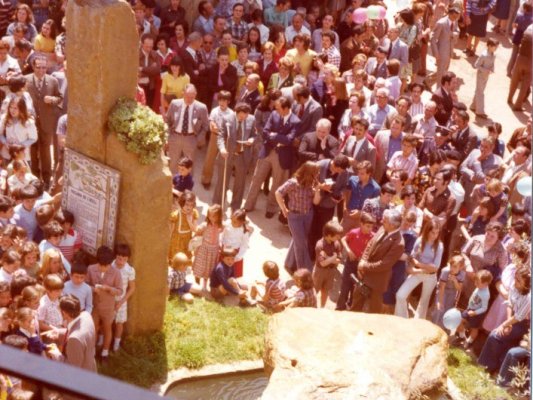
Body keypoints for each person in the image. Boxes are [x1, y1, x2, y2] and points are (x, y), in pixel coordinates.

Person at [244, 96, 300, 218]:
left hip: (282, 156)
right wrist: (279, 138)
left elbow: (290, 140)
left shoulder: (295, 121)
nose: (276, 110)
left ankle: (271, 207)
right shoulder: (274, 114)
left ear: (285, 109)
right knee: (257, 178)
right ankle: (248, 204)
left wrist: (274, 136)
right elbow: (265, 131)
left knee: (277, 183)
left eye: (279, 108)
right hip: (268, 151)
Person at [350, 208, 405, 314]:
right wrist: (362, 262)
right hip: (364, 275)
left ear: (392, 225)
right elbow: (370, 244)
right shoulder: (383, 228)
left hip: (377, 282)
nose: (381, 222)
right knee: (355, 307)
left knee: (374, 314)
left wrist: (364, 265)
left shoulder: (399, 243)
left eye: (384, 221)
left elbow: (384, 265)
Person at [275, 161, 320, 274]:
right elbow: (278, 193)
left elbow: (315, 202)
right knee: (301, 244)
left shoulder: (313, 183)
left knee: (298, 240)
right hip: (294, 217)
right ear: (309, 172)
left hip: (308, 215)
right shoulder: (293, 183)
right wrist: (284, 208)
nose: (318, 174)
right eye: (316, 172)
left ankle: (289, 263)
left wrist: (318, 190)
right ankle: (304, 272)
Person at [25, 56, 62, 187]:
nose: (41, 70)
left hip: (47, 122)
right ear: (33, 67)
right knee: (32, 150)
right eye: (38, 67)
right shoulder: (26, 80)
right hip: (31, 123)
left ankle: (46, 179)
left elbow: (60, 98)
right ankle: (34, 178)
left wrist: (52, 99)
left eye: (44, 67)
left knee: (46, 151)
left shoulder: (53, 81)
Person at [395, 218, 443, 319]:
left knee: (423, 303)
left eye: (437, 233)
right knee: (400, 295)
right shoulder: (420, 240)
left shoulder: (439, 246)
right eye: (432, 232)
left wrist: (419, 264)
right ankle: (402, 318)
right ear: (427, 231)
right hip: (417, 273)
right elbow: (412, 258)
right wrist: (423, 267)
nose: (435, 236)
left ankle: (418, 323)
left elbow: (435, 268)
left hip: (430, 277)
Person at [86, 246, 122, 361]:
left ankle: (105, 352)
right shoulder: (90, 269)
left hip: (108, 307)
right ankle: (92, 351)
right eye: (101, 266)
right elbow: (85, 284)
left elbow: (120, 291)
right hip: (94, 306)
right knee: (94, 328)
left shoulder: (116, 272)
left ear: (110, 263)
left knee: (107, 329)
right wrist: (93, 288)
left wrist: (109, 289)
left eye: (106, 266)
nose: (103, 269)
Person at [165, 84, 209, 174]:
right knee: (173, 164)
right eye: (187, 96)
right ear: (183, 94)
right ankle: (171, 185)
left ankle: (186, 187)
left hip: (191, 139)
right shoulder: (174, 103)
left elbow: (205, 126)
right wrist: (168, 136)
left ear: (195, 95)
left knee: (189, 166)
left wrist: (197, 139)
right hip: (175, 137)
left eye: (192, 97)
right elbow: (167, 120)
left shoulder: (202, 108)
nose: (189, 99)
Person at [454, 269, 493, 348]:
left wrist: (475, 313)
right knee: (459, 320)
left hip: (477, 314)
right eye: (475, 281)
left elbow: (484, 308)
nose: (475, 284)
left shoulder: (485, 294)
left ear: (485, 284)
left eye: (477, 283)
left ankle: (469, 341)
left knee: (474, 329)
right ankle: (462, 336)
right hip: (469, 309)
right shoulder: (479, 287)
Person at [58, 294, 96, 372]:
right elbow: (81, 332)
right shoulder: (86, 315)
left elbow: (72, 368)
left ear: (64, 313)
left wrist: (56, 355)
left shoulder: (74, 339)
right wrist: (59, 332)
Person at [192, 204, 223, 291]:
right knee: (200, 266)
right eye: (209, 215)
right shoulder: (205, 225)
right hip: (204, 248)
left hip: (214, 250)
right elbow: (197, 231)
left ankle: (205, 284)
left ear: (219, 216)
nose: (211, 217)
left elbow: (228, 226)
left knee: (209, 267)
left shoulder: (220, 225)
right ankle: (197, 282)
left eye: (214, 216)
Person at [312, 220, 342, 308]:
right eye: (337, 236)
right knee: (315, 290)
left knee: (325, 291)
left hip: (331, 271)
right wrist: (333, 258)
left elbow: (338, 260)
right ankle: (312, 307)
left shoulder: (336, 244)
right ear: (329, 235)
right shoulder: (320, 245)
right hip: (320, 272)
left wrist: (328, 259)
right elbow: (322, 264)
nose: (339, 237)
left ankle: (322, 307)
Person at [112, 244, 135, 352]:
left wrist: (121, 302)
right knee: (106, 321)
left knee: (119, 323)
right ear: (115, 256)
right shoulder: (111, 266)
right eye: (119, 258)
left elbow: (132, 288)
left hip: (121, 300)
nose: (121, 261)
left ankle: (116, 343)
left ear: (128, 258)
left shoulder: (129, 270)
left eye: (124, 259)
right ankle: (102, 340)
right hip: (110, 299)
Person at [432, 254, 466, 327]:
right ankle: (433, 325)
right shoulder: (445, 271)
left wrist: (455, 281)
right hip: (443, 291)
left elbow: (459, 289)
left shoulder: (462, 274)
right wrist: (440, 301)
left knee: (447, 310)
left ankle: (441, 327)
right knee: (439, 309)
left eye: (455, 267)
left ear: (461, 267)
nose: (452, 268)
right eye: (451, 266)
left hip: (452, 292)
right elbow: (442, 287)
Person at [430, 7, 460, 87]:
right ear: (449, 14)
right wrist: (436, 53)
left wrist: (455, 34)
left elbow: (457, 30)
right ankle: (439, 92)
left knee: (444, 71)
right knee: (441, 73)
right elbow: (433, 39)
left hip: (449, 50)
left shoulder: (455, 21)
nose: (456, 18)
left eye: (457, 16)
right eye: (454, 16)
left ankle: (428, 81)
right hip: (441, 51)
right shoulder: (441, 23)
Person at [469, 38, 498, 119]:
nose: (495, 48)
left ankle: (473, 106)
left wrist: (492, 70)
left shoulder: (493, 54)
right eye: (494, 47)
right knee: (480, 92)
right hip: (481, 75)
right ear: (489, 46)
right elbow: (476, 65)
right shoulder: (484, 55)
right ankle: (480, 111)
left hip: (486, 76)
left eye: (496, 47)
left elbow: (492, 64)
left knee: (479, 91)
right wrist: (486, 70)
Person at [221, 209, 253, 278]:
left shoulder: (244, 231)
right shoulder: (227, 225)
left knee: (233, 272)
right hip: (225, 250)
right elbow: (222, 235)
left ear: (242, 222)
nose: (232, 223)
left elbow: (244, 245)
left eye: (235, 222)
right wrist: (220, 244)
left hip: (235, 253)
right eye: (232, 220)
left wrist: (238, 257)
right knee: (222, 270)